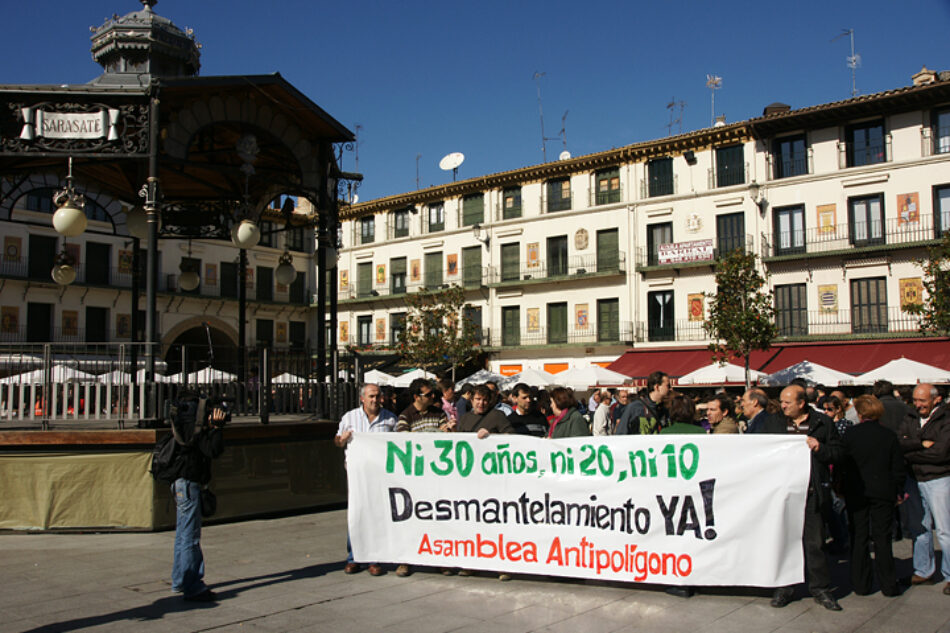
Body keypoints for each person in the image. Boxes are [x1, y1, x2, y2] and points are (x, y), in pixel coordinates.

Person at [771, 385, 843, 611]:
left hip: (812, 491)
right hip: (783, 493)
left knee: (814, 542)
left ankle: (820, 588)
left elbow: (839, 452)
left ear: (802, 403)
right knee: (783, 540)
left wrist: (820, 448)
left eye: (787, 402)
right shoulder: (775, 423)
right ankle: (785, 586)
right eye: (782, 401)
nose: (783, 406)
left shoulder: (822, 423)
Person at [840, 395, 904, 596]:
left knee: (859, 537)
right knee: (883, 538)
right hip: (883, 491)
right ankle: (889, 585)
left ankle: (861, 584)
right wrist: (899, 490)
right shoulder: (889, 435)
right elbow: (897, 467)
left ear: (859, 414)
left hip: (857, 490)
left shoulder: (850, 435)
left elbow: (843, 464)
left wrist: (839, 485)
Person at [335, 383, 397, 576]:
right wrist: (342, 439)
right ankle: (353, 558)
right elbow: (337, 441)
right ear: (362, 398)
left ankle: (374, 558)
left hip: (380, 475)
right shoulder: (350, 417)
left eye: (378, 396)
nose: (375, 400)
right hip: (357, 475)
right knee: (357, 513)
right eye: (371, 396)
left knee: (378, 514)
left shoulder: (390, 419)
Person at [395, 378, 452, 577]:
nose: (433, 397)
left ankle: (440, 559)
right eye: (428, 394)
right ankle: (405, 560)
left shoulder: (439, 413)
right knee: (410, 520)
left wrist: (449, 431)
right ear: (416, 397)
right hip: (414, 478)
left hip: (436, 477)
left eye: (433, 394)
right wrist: (436, 432)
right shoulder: (405, 416)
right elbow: (404, 441)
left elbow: (447, 435)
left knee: (438, 519)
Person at [171, 402, 226, 602]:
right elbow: (214, 451)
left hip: (180, 482)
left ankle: (179, 579)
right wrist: (217, 429)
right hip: (190, 484)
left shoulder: (186, 429)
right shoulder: (198, 432)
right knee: (190, 537)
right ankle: (192, 584)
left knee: (182, 534)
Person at [899, 383, 950, 593]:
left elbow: (941, 452)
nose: (918, 404)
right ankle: (923, 570)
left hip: (938, 478)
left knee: (945, 530)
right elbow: (899, 442)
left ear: (936, 399)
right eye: (915, 400)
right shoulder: (910, 416)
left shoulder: (946, 419)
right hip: (914, 477)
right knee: (919, 527)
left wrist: (911, 446)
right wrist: (920, 444)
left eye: (922, 400)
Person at [659, 393, 702, 598]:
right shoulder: (702, 433)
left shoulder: (665, 433)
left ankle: (679, 578)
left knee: (675, 533)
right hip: (695, 492)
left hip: (672, 492)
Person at [616, 371, 669, 435]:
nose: (670, 388)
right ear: (657, 387)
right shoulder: (634, 407)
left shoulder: (664, 410)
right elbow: (621, 433)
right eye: (667, 386)